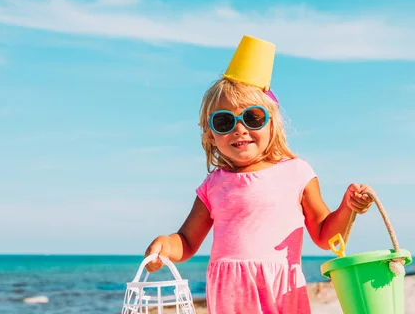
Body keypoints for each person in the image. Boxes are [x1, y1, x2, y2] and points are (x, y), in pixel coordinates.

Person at [143, 35, 375, 313]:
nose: (239, 129)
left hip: (281, 293)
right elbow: (188, 241)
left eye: (252, 118)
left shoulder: (297, 173)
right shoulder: (213, 185)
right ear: (210, 135)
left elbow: (326, 236)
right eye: (224, 121)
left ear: (272, 123)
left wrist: (348, 208)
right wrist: (165, 246)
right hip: (229, 297)